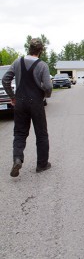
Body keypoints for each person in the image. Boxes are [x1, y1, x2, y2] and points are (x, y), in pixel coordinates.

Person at [2, 38, 52, 177]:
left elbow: (5, 79)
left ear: (28, 48)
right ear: (40, 50)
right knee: (41, 133)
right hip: (36, 102)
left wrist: (12, 96)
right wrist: (46, 95)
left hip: (20, 102)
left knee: (19, 133)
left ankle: (17, 158)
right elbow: (48, 86)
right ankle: (42, 164)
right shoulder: (42, 65)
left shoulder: (18, 62)